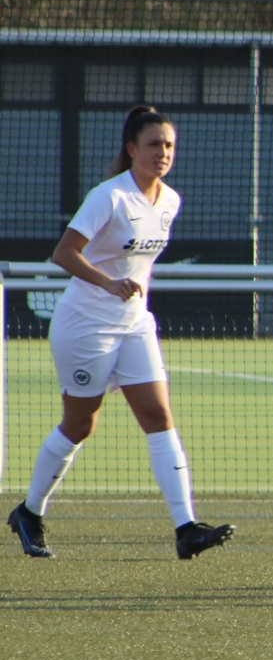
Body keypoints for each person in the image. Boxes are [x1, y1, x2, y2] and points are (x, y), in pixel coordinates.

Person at [6, 106, 235, 560]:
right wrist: (108, 283)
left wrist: (127, 294)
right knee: (80, 424)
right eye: (153, 144)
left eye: (169, 145)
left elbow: (139, 265)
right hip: (85, 326)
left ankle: (186, 528)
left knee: (158, 416)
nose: (163, 153)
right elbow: (63, 253)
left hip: (134, 324)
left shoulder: (169, 200)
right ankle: (29, 512)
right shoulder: (109, 196)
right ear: (132, 149)